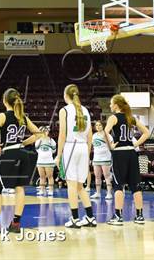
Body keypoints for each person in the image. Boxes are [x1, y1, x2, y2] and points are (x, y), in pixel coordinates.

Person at [0, 88, 40, 233]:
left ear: (4, 101)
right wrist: (24, 143)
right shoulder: (23, 117)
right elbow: (38, 133)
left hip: (9, 154)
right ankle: (16, 224)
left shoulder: (3, 116)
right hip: (23, 154)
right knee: (19, 188)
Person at [55, 84, 97, 228]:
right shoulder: (85, 110)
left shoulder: (64, 110)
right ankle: (91, 217)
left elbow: (62, 134)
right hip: (83, 148)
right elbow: (90, 135)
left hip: (71, 146)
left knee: (71, 185)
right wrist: (88, 152)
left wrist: (58, 155)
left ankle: (74, 218)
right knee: (80, 186)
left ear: (66, 95)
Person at [105, 94, 150, 226]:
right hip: (131, 153)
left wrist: (111, 145)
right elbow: (146, 132)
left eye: (111, 103)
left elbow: (105, 133)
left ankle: (118, 216)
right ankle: (140, 216)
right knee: (135, 185)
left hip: (119, 153)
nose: (109, 105)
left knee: (118, 185)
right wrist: (135, 145)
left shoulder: (113, 117)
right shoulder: (131, 118)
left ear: (116, 105)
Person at [90, 121, 113, 200]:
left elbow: (111, 146)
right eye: (96, 125)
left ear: (103, 126)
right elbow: (94, 146)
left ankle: (109, 193)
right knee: (97, 176)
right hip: (96, 158)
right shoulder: (94, 136)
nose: (98, 126)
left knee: (107, 176)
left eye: (100, 125)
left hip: (105, 158)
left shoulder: (108, 135)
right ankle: (98, 193)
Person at [35, 126, 56, 197]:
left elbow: (54, 150)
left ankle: (50, 190)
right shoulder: (38, 140)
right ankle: (41, 189)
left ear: (48, 132)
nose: (45, 133)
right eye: (43, 131)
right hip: (40, 161)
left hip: (49, 161)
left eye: (46, 131)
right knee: (42, 177)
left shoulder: (51, 140)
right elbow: (37, 149)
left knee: (50, 176)